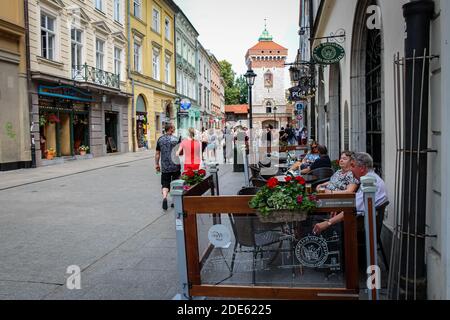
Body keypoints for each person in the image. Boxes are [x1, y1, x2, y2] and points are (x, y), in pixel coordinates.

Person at [312, 152, 388, 235]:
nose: (351, 169)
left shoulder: (369, 183)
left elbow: (352, 209)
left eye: (353, 166)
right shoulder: (370, 178)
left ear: (362, 168)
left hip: (361, 228)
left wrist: (328, 223)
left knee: (319, 225)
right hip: (362, 222)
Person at [155, 123, 181, 211]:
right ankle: (174, 201)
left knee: (165, 183)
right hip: (175, 166)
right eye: (173, 128)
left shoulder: (160, 139)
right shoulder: (176, 139)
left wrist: (157, 164)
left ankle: (165, 198)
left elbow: (157, 154)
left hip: (165, 166)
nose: (174, 129)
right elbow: (180, 153)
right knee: (175, 182)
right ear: (170, 129)